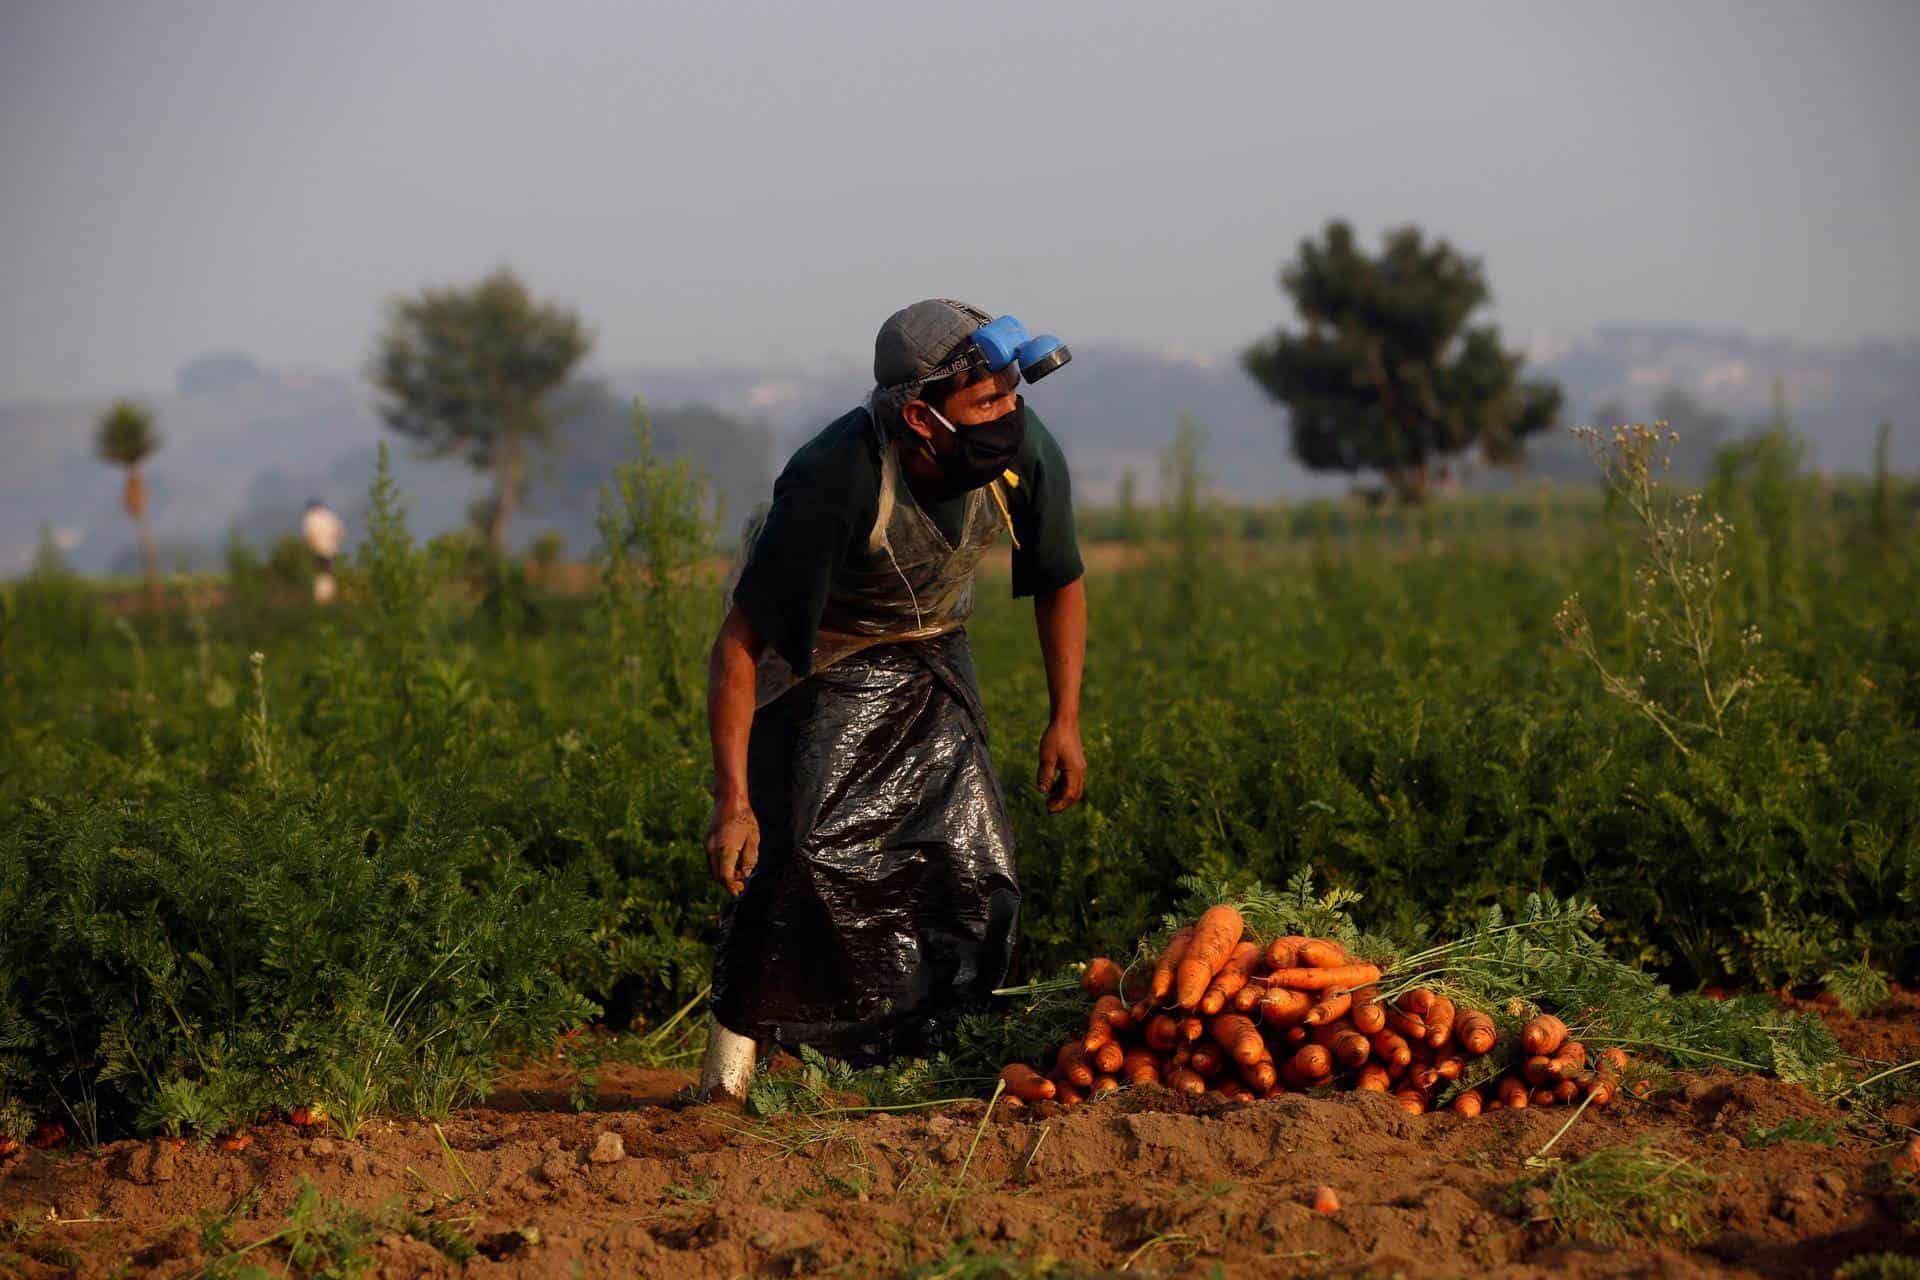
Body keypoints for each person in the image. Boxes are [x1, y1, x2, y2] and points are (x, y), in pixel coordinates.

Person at [698, 299, 1089, 1103]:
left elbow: (1059, 580)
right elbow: (738, 647)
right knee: (801, 859)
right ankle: (730, 1081)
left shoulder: (1022, 452)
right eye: (987, 403)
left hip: (935, 650)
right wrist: (734, 803)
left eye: (1015, 393)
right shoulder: (833, 479)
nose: (1009, 416)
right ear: (920, 415)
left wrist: (1065, 718)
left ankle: (933, 1065)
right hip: (817, 659)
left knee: (973, 868)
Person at [300, 498, 343, 603]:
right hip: (331, 549)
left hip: (317, 550)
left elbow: (309, 536)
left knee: (320, 575)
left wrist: (310, 548)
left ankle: (322, 599)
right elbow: (339, 531)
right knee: (328, 574)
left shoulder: (310, 518)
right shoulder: (330, 516)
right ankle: (329, 596)